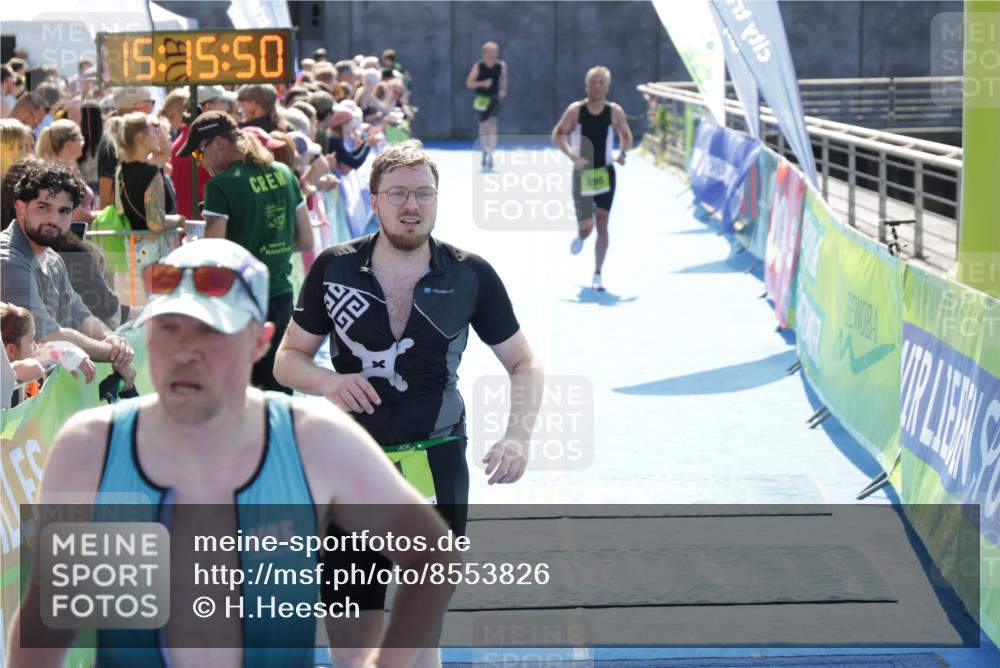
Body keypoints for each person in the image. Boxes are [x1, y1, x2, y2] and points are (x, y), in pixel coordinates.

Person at [5, 237, 459, 668]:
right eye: (168, 329)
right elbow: (48, 617)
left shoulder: (317, 443)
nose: (185, 352)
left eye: (210, 332)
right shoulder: (90, 450)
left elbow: (433, 553)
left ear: (259, 342)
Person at [273, 140, 543, 668]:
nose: (411, 205)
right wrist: (327, 382)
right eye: (397, 193)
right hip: (352, 461)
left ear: (437, 200)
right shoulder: (334, 268)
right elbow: (287, 359)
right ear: (374, 199)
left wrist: (518, 435)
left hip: (437, 458)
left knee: (418, 638)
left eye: (423, 193)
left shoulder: (470, 275)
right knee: (353, 639)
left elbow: (523, 363)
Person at [178, 111, 313, 393]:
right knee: (278, 395)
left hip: (239, 302)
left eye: (199, 153)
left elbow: (213, 255)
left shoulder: (221, 186)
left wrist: (191, 251)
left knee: (239, 397)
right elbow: (306, 241)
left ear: (218, 143)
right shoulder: (284, 173)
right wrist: (267, 246)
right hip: (280, 297)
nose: (200, 162)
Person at [0, 160, 133, 386]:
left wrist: (109, 337)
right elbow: (47, 336)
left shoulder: (52, 258)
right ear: (21, 208)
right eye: (43, 207)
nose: (54, 220)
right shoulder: (9, 261)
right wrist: (112, 352)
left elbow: (81, 315)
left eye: (64, 211)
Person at [551, 65, 633, 292]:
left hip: (605, 172)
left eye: (601, 83)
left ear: (607, 87)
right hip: (583, 173)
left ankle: (598, 273)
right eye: (593, 82)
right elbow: (558, 135)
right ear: (587, 86)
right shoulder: (575, 111)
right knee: (587, 227)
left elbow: (625, 135)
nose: (597, 86)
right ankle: (581, 235)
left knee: (603, 222)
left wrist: (623, 153)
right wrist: (572, 155)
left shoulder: (614, 111)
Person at [108, 112, 183, 233]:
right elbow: (156, 224)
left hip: (131, 247)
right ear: (140, 138)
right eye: (155, 131)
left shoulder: (120, 172)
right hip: (154, 249)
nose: (159, 135)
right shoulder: (151, 174)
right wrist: (180, 220)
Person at [465, 41, 507, 170]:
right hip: (482, 99)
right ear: (484, 53)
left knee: (492, 125)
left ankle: (491, 154)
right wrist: (482, 83)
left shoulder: (501, 65)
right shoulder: (478, 66)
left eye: (494, 52)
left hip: (494, 99)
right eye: (489, 52)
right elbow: (469, 83)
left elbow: (504, 78)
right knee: (483, 126)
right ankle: (484, 150)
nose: (491, 55)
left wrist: (503, 90)